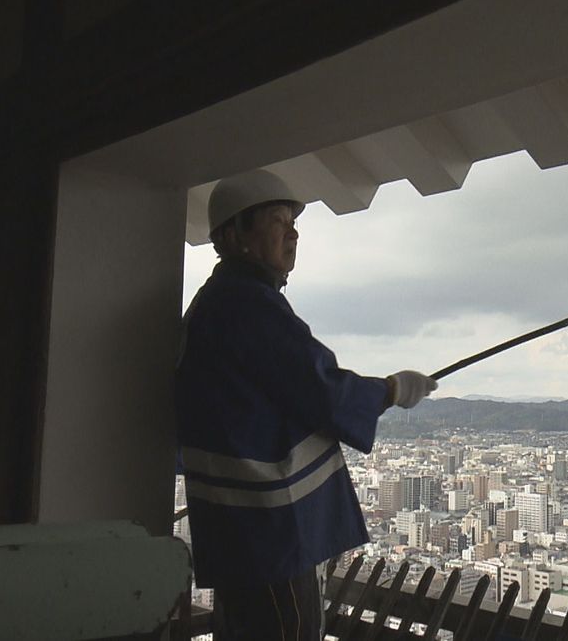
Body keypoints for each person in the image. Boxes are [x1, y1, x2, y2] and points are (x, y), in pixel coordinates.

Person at [175, 169, 437, 640]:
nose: (292, 232)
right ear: (236, 235)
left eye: (293, 222)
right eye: (278, 220)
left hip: (235, 526)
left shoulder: (214, 304)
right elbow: (318, 387)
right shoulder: (245, 304)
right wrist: (392, 390)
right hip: (268, 528)